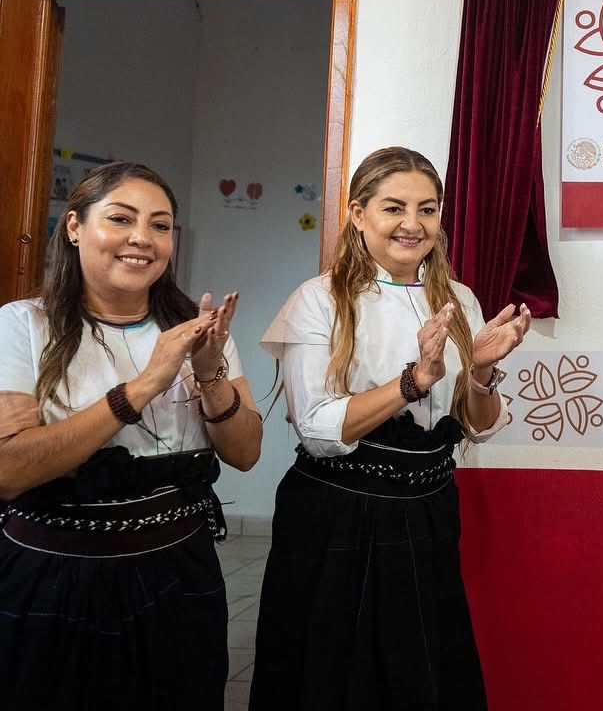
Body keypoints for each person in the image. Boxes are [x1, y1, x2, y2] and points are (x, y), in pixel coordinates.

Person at [249, 146, 529, 710]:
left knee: (419, 667)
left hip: (427, 510)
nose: (412, 224)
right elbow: (318, 429)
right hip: (339, 514)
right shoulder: (320, 299)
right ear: (358, 213)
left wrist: (479, 372)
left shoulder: (459, 300)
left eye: (427, 209)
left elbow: (477, 427)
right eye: (394, 207)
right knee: (334, 672)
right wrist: (412, 382)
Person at [0, 161, 260, 709]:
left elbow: (245, 453)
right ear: (74, 227)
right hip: (53, 577)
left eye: (160, 225)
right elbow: (10, 471)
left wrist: (210, 374)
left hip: (179, 574)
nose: (143, 238)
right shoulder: (22, 325)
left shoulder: (197, 329)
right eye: (121, 218)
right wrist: (142, 387)